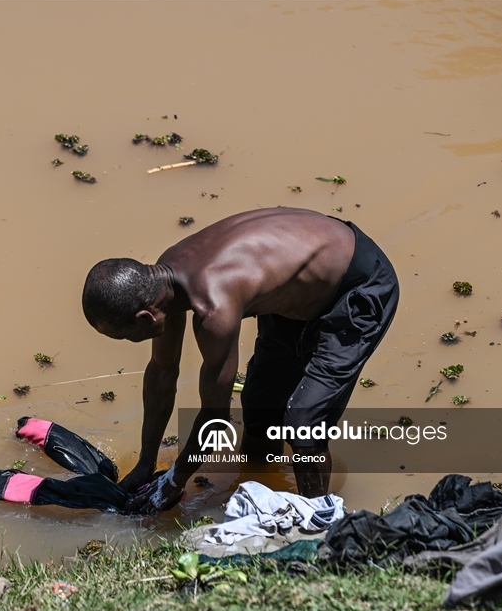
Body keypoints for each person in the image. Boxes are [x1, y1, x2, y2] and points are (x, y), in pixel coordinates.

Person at [81, 207, 399, 512]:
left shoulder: (214, 307)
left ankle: (317, 522)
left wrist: (173, 481)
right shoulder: (160, 281)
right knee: (261, 411)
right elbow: (162, 373)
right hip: (293, 292)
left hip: (356, 285)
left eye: (122, 336)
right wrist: (145, 464)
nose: (124, 343)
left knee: (304, 423)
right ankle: (265, 484)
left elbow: (216, 420)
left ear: (147, 318)